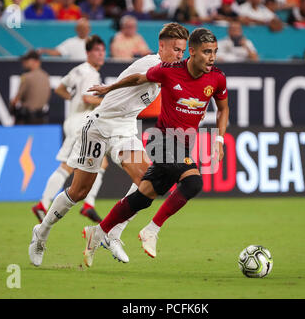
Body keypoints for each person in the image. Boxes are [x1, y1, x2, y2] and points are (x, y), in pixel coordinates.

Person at [28, 22, 190, 267]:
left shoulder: (168, 71)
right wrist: (110, 88)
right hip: (98, 126)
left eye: (183, 50)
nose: (180, 55)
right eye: (176, 49)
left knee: (149, 183)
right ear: (162, 46)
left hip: (124, 129)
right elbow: (139, 78)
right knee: (78, 192)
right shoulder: (151, 65)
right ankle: (41, 233)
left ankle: (113, 233)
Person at [82, 27, 229, 266]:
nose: (212, 57)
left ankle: (97, 232)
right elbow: (138, 79)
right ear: (192, 52)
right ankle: (152, 229)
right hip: (159, 139)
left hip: (182, 145)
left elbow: (223, 108)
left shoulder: (217, 78)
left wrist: (219, 139)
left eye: (214, 52)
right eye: (206, 52)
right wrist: (109, 88)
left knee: (144, 196)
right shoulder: (169, 71)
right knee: (193, 182)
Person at [31, 35, 107, 224]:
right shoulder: (90, 73)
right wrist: (106, 101)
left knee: (101, 161)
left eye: (102, 50)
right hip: (81, 123)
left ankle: (88, 204)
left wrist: (72, 99)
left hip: (74, 120)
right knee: (68, 166)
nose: (101, 54)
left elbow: (60, 89)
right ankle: (43, 203)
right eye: (97, 51)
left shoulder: (78, 70)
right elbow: (88, 99)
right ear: (88, 53)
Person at [10, 50, 51, 124]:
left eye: (26, 60)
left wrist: (12, 108)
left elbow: (17, 99)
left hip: (26, 119)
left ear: (34, 61)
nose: (24, 63)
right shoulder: (46, 76)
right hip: (41, 118)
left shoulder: (26, 77)